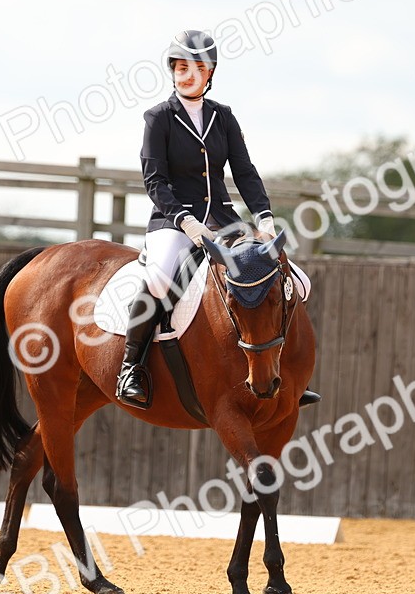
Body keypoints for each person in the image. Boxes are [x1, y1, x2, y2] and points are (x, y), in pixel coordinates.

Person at [115, 29, 319, 409]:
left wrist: (264, 217)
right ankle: (132, 366)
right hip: (172, 222)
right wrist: (185, 221)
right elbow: (154, 180)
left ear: (210, 73)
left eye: (196, 68)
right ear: (172, 71)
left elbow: (244, 171)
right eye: (180, 68)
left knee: (298, 281)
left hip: (227, 222)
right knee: (159, 276)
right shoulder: (159, 118)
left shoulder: (223, 117)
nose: (187, 75)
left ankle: (285, 368)